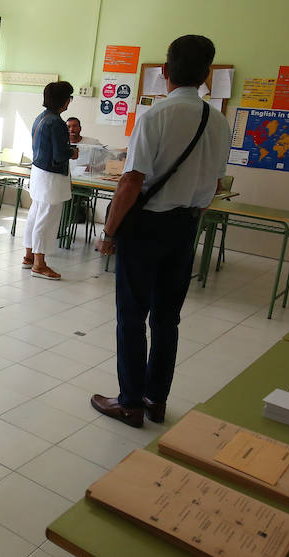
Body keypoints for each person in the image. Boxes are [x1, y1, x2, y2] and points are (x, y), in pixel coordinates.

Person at [90, 35, 232, 427]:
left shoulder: (155, 116)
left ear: (164, 73)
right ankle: (156, 399)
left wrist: (109, 231)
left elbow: (131, 180)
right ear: (207, 76)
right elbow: (215, 187)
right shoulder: (218, 122)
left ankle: (130, 402)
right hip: (185, 228)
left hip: (146, 228)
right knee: (168, 318)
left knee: (132, 316)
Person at [22, 81, 78, 280]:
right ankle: (39, 264)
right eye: (69, 98)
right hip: (51, 177)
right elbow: (60, 154)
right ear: (64, 100)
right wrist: (73, 152)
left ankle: (29, 256)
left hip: (39, 172)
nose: (69, 102)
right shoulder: (56, 122)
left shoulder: (41, 118)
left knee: (35, 214)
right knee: (47, 219)